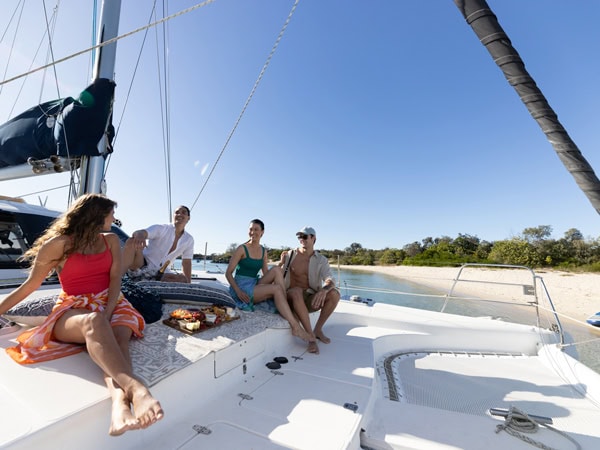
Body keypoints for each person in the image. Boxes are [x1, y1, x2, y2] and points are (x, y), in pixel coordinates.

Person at [0, 194, 163, 436]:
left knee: (118, 340)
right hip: (73, 308)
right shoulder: (57, 245)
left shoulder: (110, 241)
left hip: (112, 302)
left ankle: (120, 406)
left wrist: (108, 311)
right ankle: (137, 389)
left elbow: (116, 278)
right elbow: (31, 285)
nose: (115, 219)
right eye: (111, 214)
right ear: (96, 216)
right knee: (93, 321)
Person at [225, 219, 312, 342]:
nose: (252, 232)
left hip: (254, 283)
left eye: (256, 229)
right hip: (241, 287)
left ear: (262, 232)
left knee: (277, 270)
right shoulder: (242, 249)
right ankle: (295, 326)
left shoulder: (263, 251)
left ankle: (285, 302)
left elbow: (266, 273)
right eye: (250, 229)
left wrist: (281, 263)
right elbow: (228, 273)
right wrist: (238, 291)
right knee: (276, 289)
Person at [280, 226, 340, 354]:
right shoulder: (290, 255)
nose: (301, 239)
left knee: (334, 294)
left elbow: (330, 278)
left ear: (313, 238)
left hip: (308, 298)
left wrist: (323, 290)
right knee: (296, 291)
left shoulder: (321, 260)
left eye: (305, 236)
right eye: (299, 236)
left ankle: (318, 329)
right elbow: (277, 274)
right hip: (290, 296)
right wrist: (280, 263)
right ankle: (311, 338)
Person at [122, 205, 194, 283]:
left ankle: (152, 280)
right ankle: (120, 278)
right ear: (173, 216)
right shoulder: (162, 228)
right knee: (131, 241)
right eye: (177, 212)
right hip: (141, 264)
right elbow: (141, 232)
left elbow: (186, 262)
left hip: (161, 273)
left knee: (183, 280)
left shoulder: (189, 240)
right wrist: (140, 235)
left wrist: (188, 284)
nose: (179, 214)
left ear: (188, 218)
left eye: (183, 212)